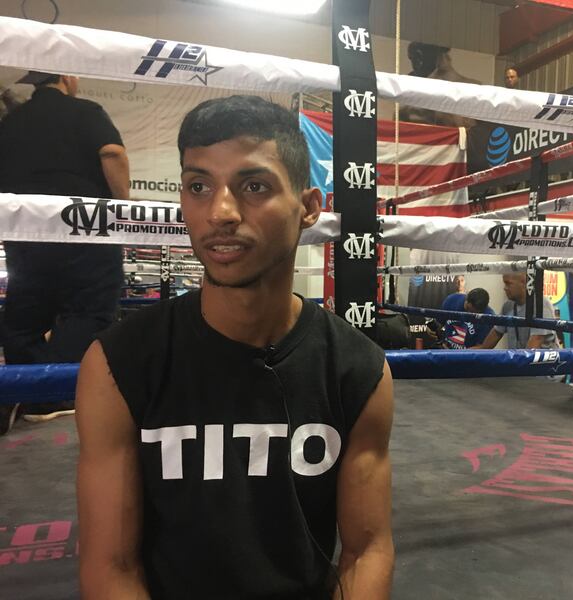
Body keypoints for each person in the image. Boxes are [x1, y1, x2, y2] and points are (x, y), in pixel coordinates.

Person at [76, 96, 394, 599]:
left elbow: (367, 550)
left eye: (254, 186)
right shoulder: (120, 363)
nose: (220, 212)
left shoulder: (357, 368)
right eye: (198, 186)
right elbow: (110, 565)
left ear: (309, 207)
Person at [0, 71, 129, 434]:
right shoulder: (85, 110)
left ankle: (26, 391)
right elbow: (113, 152)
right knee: (89, 309)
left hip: (25, 229)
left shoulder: (10, 123)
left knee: (24, 316)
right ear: (67, 76)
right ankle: (53, 393)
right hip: (84, 225)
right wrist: (122, 208)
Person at [474, 272, 558, 350]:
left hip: (541, 360)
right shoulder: (508, 306)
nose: (505, 288)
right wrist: (472, 353)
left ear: (523, 283)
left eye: (508, 283)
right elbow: (496, 333)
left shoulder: (541, 305)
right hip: (520, 358)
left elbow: (536, 341)